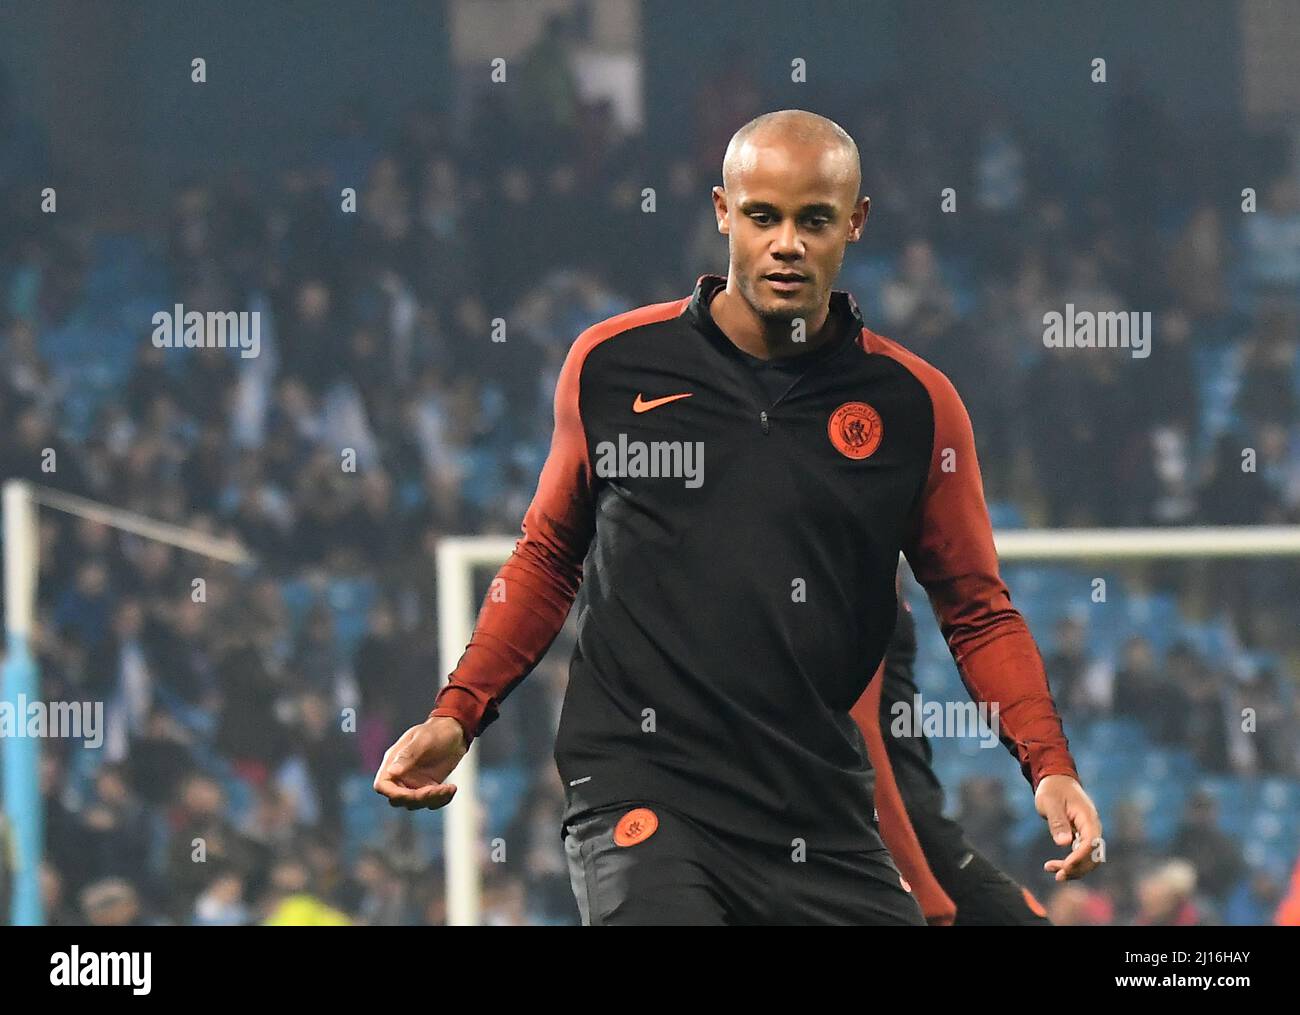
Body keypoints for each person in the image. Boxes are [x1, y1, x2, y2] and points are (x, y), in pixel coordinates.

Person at [374, 109, 1102, 925]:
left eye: (813, 219)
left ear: (854, 223)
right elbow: (547, 556)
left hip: (816, 808)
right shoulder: (615, 366)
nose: (786, 242)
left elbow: (975, 607)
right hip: (643, 786)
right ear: (723, 212)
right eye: (763, 216)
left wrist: (1049, 765)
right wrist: (458, 711)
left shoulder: (915, 406)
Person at [856, 578, 1051, 925]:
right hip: (905, 827)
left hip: (907, 824)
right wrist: (926, 887)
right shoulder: (856, 570)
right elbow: (864, 733)